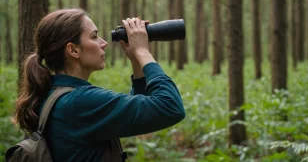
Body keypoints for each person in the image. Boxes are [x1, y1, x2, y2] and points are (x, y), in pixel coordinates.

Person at [12, 8, 186, 161]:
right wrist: (142, 51)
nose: (104, 43)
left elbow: (135, 114)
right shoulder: (80, 102)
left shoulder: (52, 94)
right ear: (73, 50)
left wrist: (136, 62)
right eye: (94, 36)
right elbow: (170, 107)